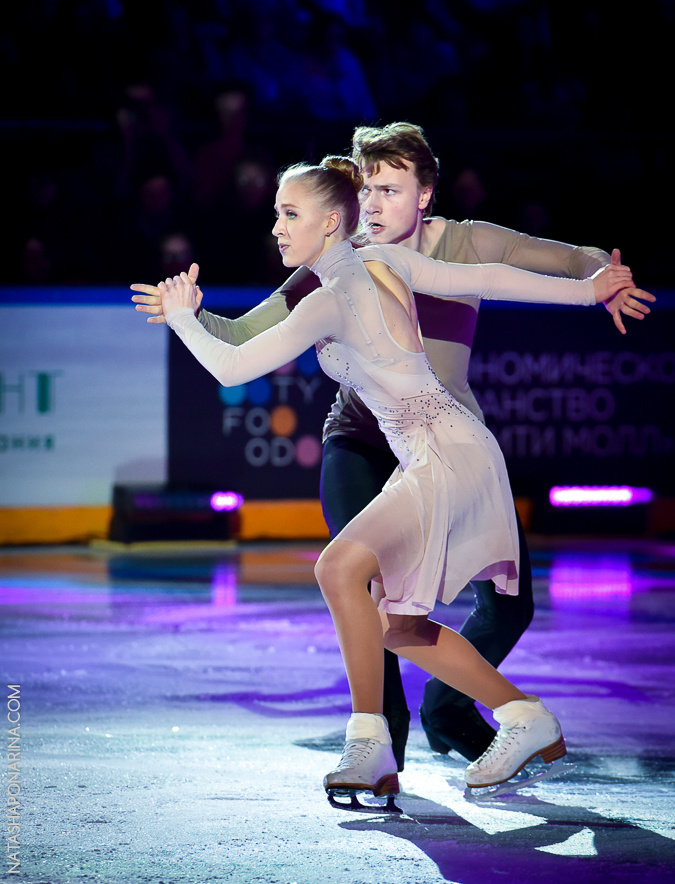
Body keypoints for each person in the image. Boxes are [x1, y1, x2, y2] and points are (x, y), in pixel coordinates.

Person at [131, 123, 655, 773]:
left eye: (289, 215)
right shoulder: (366, 264)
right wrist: (185, 311)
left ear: (421, 196)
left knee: (358, 581)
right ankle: (468, 726)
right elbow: (241, 337)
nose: (373, 204)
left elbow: (499, 270)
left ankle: (404, 734)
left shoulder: (363, 278)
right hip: (400, 446)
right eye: (366, 189)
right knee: (384, 612)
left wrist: (595, 280)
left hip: (443, 450)